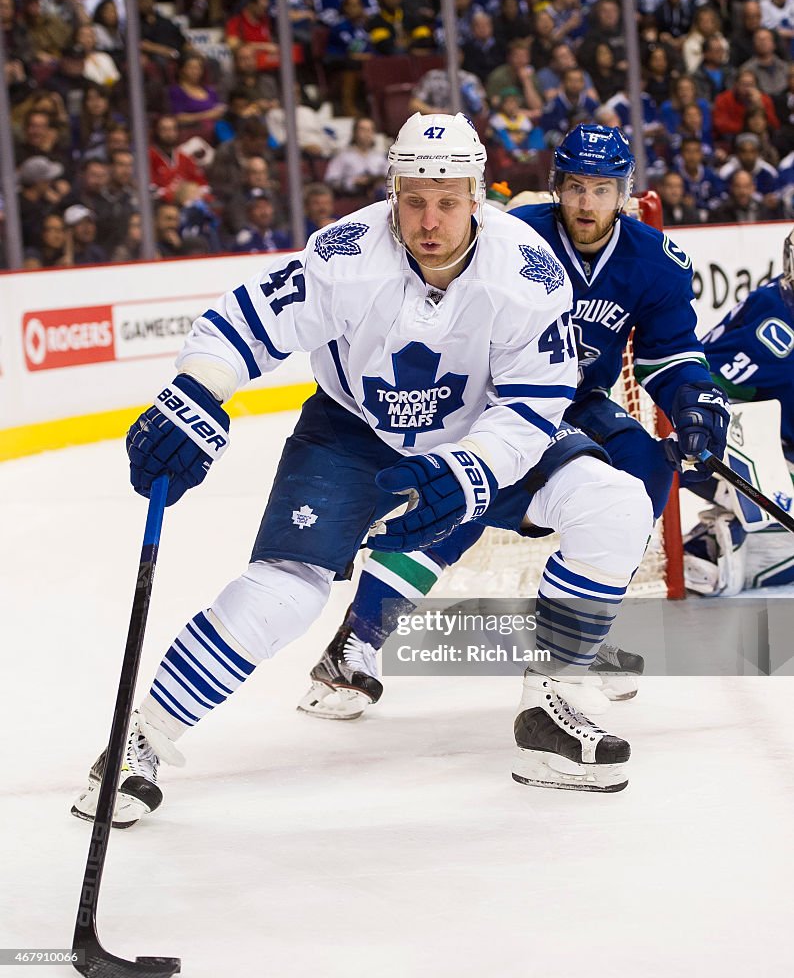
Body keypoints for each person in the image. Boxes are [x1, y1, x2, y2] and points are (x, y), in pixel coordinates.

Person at [71, 114, 656, 822]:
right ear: (391, 194)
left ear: (477, 195)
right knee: (285, 590)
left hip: (479, 430)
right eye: (413, 200)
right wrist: (196, 392)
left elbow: (536, 400)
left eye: (447, 200)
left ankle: (552, 706)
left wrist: (471, 469)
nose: (429, 220)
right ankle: (138, 739)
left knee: (614, 505)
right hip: (353, 432)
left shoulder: (528, 271)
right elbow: (245, 324)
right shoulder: (345, 254)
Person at [297, 124, 730, 729]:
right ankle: (357, 641)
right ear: (557, 187)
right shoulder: (515, 235)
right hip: (489, 398)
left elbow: (671, 352)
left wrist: (696, 402)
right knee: (466, 503)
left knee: (645, 465)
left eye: (602, 190)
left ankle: (583, 623)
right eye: (575, 187)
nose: (587, 203)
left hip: (579, 400)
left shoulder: (653, 261)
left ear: (624, 194)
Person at [682, 230, 794, 595]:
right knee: (729, 573)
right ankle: (714, 549)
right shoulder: (777, 326)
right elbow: (700, 384)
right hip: (751, 453)